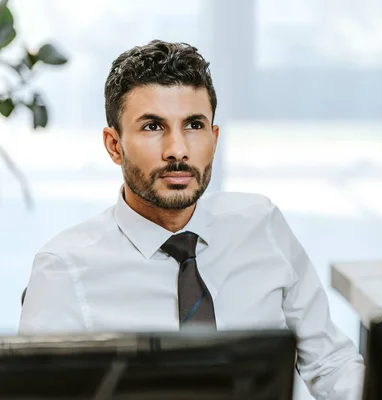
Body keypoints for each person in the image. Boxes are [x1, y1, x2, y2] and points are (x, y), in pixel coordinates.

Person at [18, 40, 364, 399]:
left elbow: (330, 363)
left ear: (214, 138)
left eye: (194, 125)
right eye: (153, 127)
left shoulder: (261, 224)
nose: (178, 150)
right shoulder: (63, 269)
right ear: (114, 145)